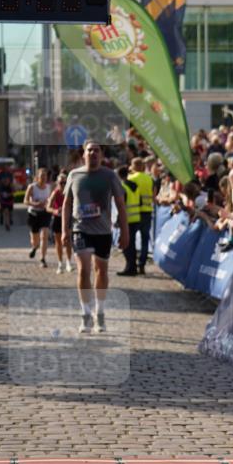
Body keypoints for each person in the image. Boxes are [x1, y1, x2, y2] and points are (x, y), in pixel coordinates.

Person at [62, 140, 128, 334]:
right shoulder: (74, 175)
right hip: (80, 228)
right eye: (89, 150)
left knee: (101, 271)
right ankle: (85, 314)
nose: (93, 153)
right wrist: (65, 229)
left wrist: (125, 231)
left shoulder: (110, 176)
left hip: (103, 231)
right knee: (83, 271)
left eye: (96, 150)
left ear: (101, 154)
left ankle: (100, 312)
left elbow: (121, 205)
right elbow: (66, 204)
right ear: (83, 154)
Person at [128, 157, 154, 274]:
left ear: (134, 166)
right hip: (147, 212)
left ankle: (132, 264)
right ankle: (142, 265)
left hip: (135, 212)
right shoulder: (149, 178)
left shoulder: (131, 178)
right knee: (145, 240)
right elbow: (154, 194)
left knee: (132, 240)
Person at [24, 167, 52, 267]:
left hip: (45, 213)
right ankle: (35, 247)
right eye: (42, 176)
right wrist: (35, 204)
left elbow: (51, 200)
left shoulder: (49, 187)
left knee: (44, 236)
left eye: (45, 176)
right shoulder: (32, 187)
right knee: (35, 240)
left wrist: (48, 203)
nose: (44, 178)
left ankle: (42, 259)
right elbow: (25, 201)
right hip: (33, 214)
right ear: (37, 177)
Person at [46, 172, 73, 273]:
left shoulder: (70, 192)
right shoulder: (55, 193)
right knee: (58, 242)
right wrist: (55, 211)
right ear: (57, 183)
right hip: (57, 218)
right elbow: (48, 207)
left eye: (65, 182)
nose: (63, 185)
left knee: (69, 240)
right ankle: (60, 263)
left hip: (68, 218)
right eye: (61, 182)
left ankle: (69, 263)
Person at [116, 165, 141, 276]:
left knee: (126, 245)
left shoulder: (122, 187)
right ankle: (133, 267)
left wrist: (118, 220)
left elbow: (121, 206)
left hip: (127, 219)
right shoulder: (135, 185)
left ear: (119, 175)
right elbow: (139, 202)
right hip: (136, 218)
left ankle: (129, 268)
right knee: (132, 245)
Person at [0, 166, 14, 231]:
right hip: (3, 200)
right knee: (5, 212)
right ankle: (6, 222)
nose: (6, 181)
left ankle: (9, 220)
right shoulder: (0, 186)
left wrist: (9, 194)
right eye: (4, 180)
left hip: (9, 200)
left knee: (9, 212)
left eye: (7, 180)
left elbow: (13, 192)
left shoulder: (10, 186)